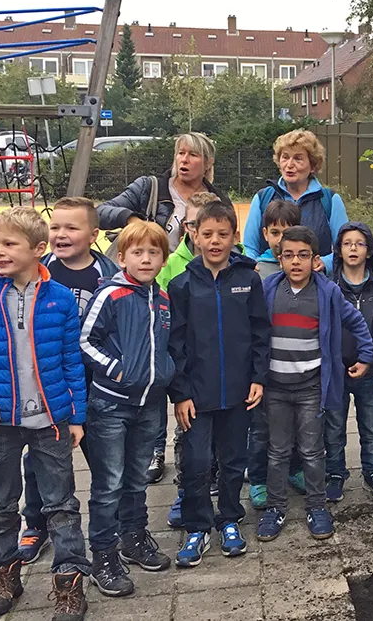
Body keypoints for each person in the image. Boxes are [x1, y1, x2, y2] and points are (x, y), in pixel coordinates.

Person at [0, 206, 90, 621]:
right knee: (2, 502)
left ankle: (68, 581)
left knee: (61, 503)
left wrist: (76, 415)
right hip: (0, 424)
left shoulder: (60, 300)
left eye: (10, 244)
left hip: (51, 420)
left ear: (38, 250)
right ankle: (6, 573)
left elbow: (70, 361)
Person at [167, 201, 271, 568]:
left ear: (235, 237)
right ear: (193, 235)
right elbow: (174, 344)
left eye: (222, 234)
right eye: (207, 234)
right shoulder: (180, 285)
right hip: (196, 395)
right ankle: (197, 526)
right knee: (196, 462)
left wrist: (258, 378)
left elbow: (261, 332)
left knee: (232, 461)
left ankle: (229, 518)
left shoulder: (248, 280)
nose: (214, 241)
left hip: (239, 392)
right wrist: (180, 393)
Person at [256, 226, 373, 542]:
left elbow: (356, 321)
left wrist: (366, 354)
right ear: (278, 258)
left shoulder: (328, 292)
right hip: (276, 388)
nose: (296, 262)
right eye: (289, 255)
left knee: (312, 451)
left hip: (311, 387)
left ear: (315, 259)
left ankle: (316, 505)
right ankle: (275, 507)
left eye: (303, 255)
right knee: (278, 451)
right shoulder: (268, 289)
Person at [17, 197, 119, 565]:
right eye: (55, 227)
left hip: (96, 387)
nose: (61, 234)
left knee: (106, 459)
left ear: (93, 235)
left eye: (71, 228)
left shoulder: (107, 276)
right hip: (49, 388)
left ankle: (114, 524)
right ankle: (36, 523)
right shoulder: (37, 271)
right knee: (38, 463)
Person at [79, 221, 174, 596]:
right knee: (109, 484)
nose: (146, 259)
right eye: (138, 252)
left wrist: (165, 373)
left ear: (163, 259)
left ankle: (134, 536)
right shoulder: (111, 295)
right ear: (122, 258)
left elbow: (165, 346)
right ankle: (103, 553)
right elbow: (85, 341)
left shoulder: (162, 299)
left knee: (136, 479)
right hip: (111, 405)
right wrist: (116, 368)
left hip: (150, 404)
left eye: (154, 252)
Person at [154, 190, 222, 507]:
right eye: (194, 224)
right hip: (188, 367)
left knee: (223, 436)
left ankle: (218, 484)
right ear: (186, 226)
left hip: (222, 368)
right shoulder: (172, 267)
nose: (200, 232)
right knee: (188, 434)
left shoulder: (236, 261)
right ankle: (186, 491)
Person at [324, 221, 373, 502]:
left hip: (369, 370)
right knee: (333, 426)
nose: (353, 248)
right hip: (336, 370)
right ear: (338, 251)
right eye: (347, 243)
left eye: (360, 243)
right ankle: (335, 473)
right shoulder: (330, 287)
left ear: (369, 251)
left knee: (370, 425)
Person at [248, 198, 308, 510]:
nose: (279, 240)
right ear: (265, 234)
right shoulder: (254, 271)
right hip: (264, 368)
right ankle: (257, 478)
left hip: (296, 369)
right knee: (260, 429)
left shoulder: (308, 270)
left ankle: (295, 469)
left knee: (297, 425)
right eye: (274, 233)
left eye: (287, 233)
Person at [97, 132, 232, 255]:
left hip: (196, 278)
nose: (184, 159)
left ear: (208, 163)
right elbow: (98, 213)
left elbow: (230, 245)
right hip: (148, 275)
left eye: (193, 154)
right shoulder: (149, 188)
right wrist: (132, 220)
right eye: (181, 153)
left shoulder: (220, 202)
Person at [241, 129, 347, 272]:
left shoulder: (329, 200)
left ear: (313, 165)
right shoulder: (262, 198)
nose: (289, 164)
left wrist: (324, 263)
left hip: (315, 284)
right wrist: (255, 270)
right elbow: (249, 247)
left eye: (298, 158)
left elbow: (344, 247)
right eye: (285, 157)